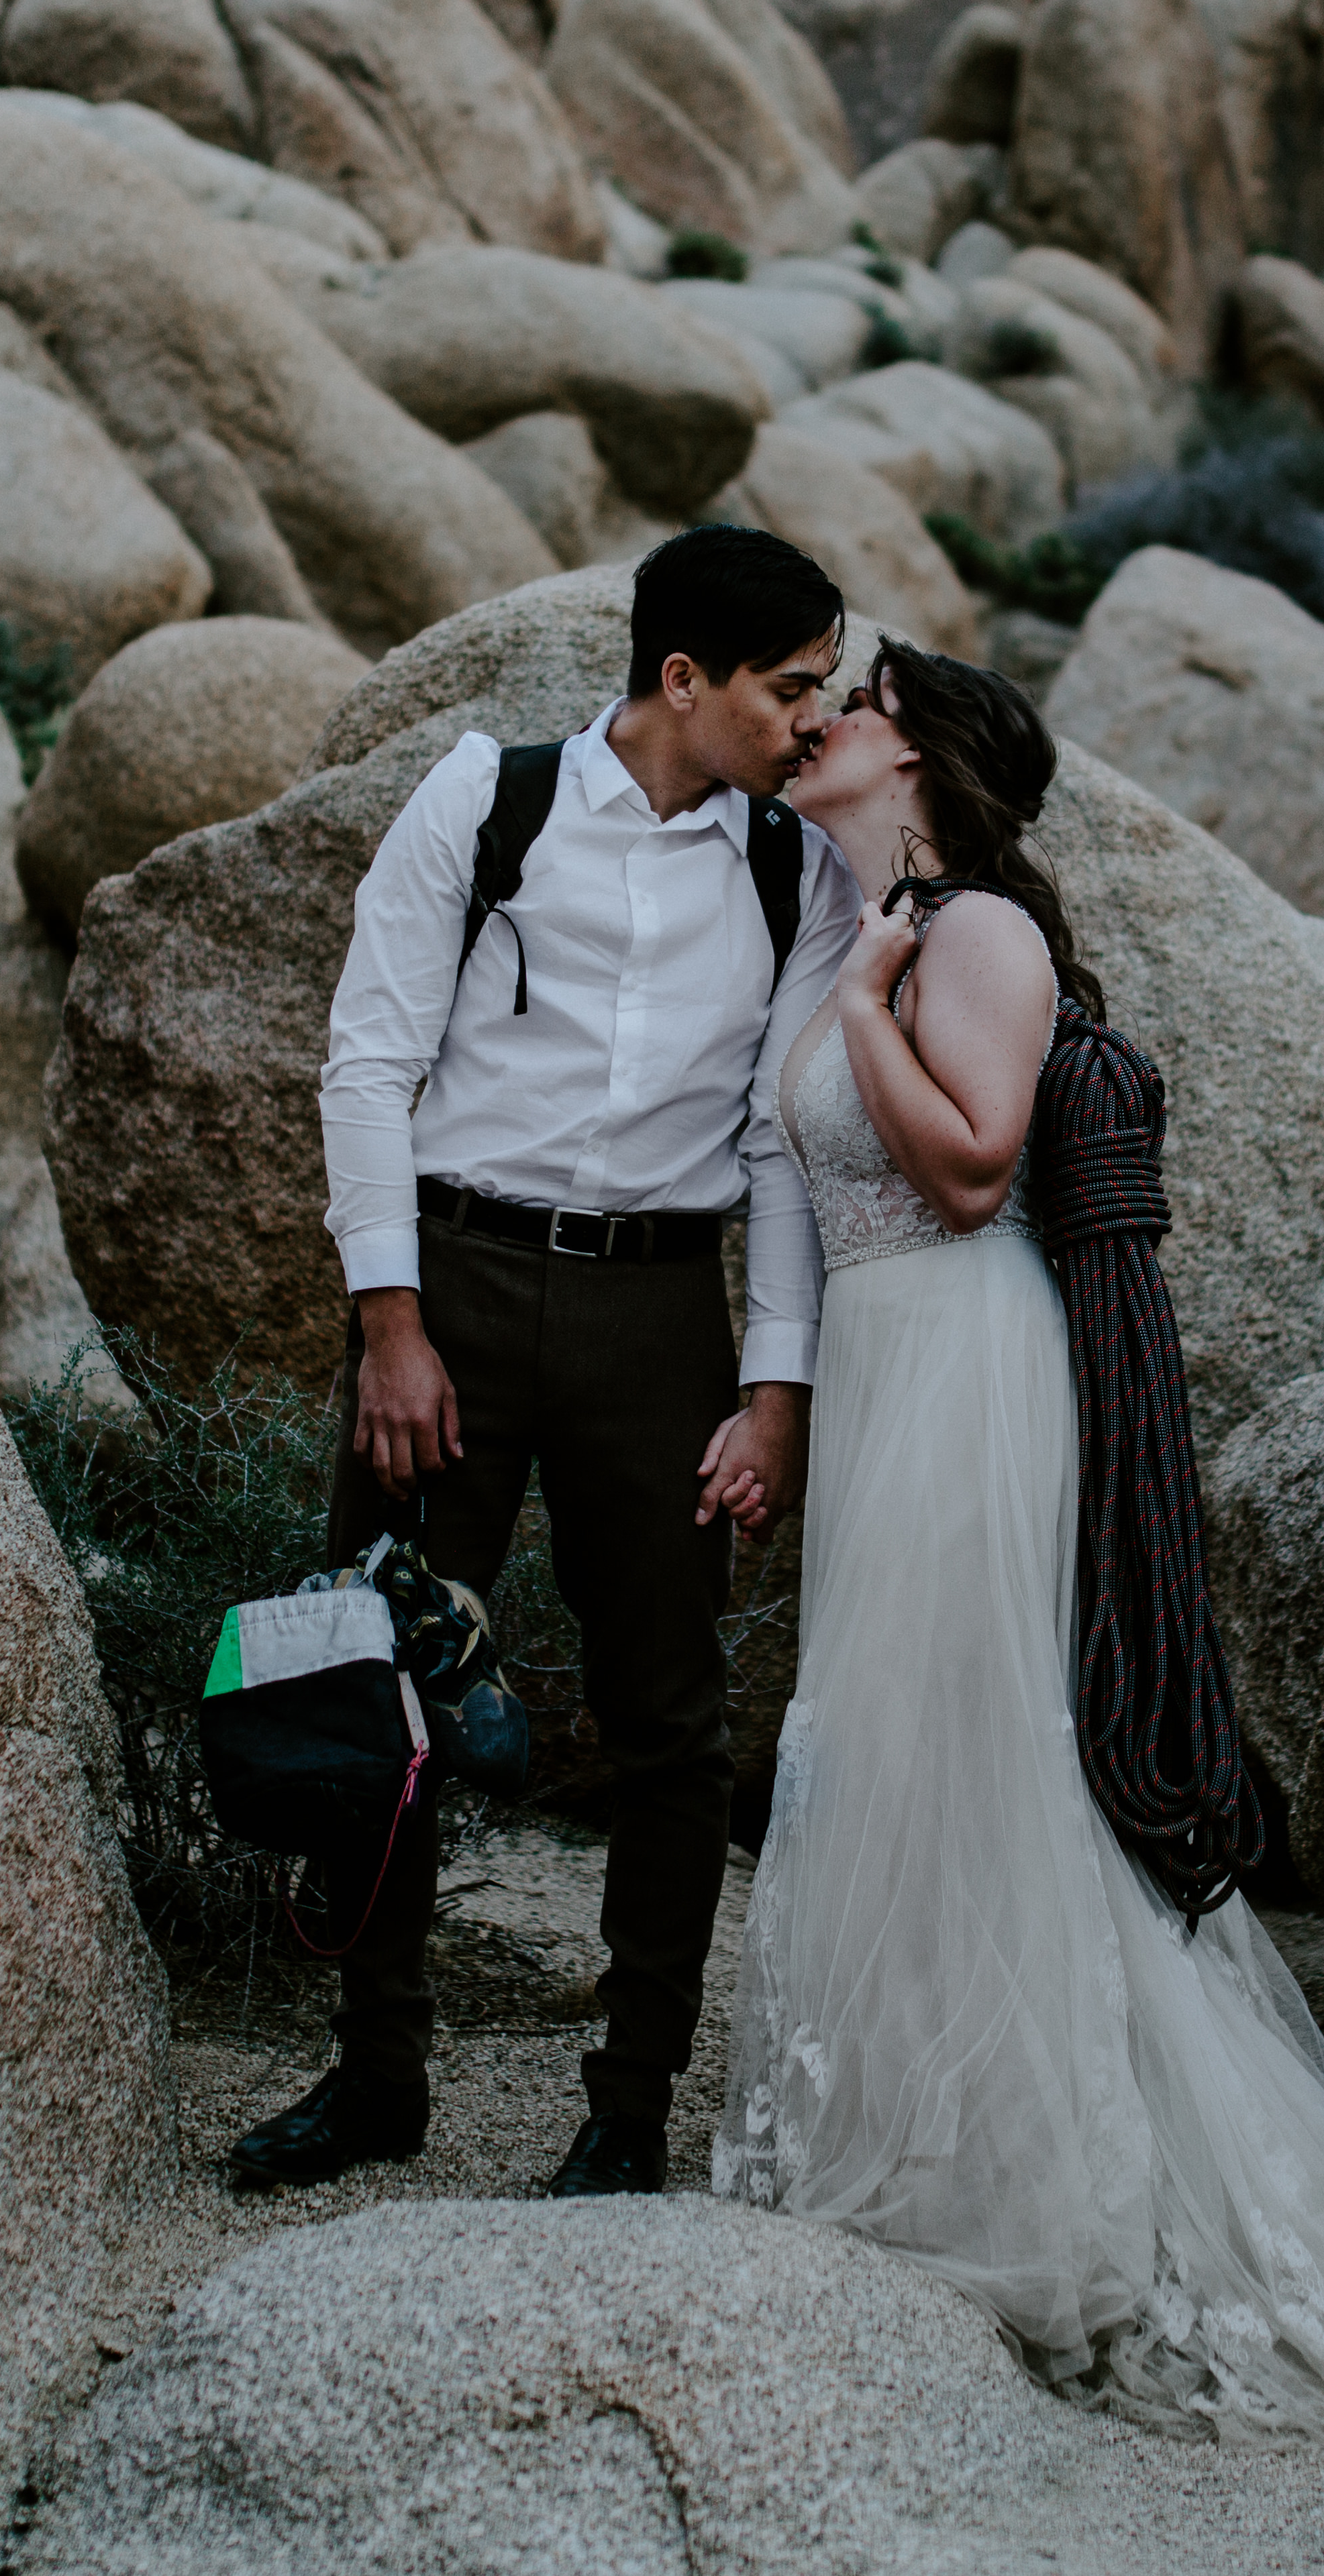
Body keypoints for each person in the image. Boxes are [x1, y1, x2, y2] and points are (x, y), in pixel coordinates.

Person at [715, 639, 1324, 2479]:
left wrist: (858, 1028)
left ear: (919, 757)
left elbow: (978, 1169)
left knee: (988, 1752)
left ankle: (1052, 2181)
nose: (821, 714)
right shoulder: (851, 931)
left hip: (975, 1362)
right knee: (897, 1749)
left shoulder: (973, 932)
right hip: (891, 1372)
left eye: (857, 697)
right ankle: (926, 2134)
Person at [229, 526, 860, 2202]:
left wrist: (775, 1389)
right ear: (683, 680)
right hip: (454, 1287)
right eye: (791, 689)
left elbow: (784, 1148)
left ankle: (631, 2104)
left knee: (671, 1722)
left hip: (662, 1322)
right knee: (377, 1686)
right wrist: (390, 1322)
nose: (815, 721)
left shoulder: (800, 871)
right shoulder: (482, 801)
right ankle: (376, 2075)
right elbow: (367, 1063)